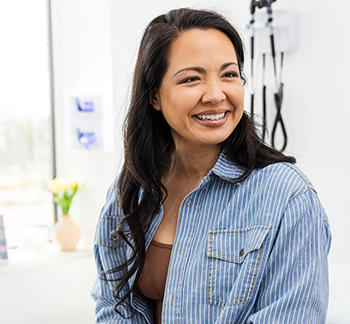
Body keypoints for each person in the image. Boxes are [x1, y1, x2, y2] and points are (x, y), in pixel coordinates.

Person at [91, 8, 331, 324]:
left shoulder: (288, 195)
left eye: (229, 74)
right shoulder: (131, 190)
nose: (216, 95)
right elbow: (114, 308)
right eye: (192, 79)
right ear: (154, 97)